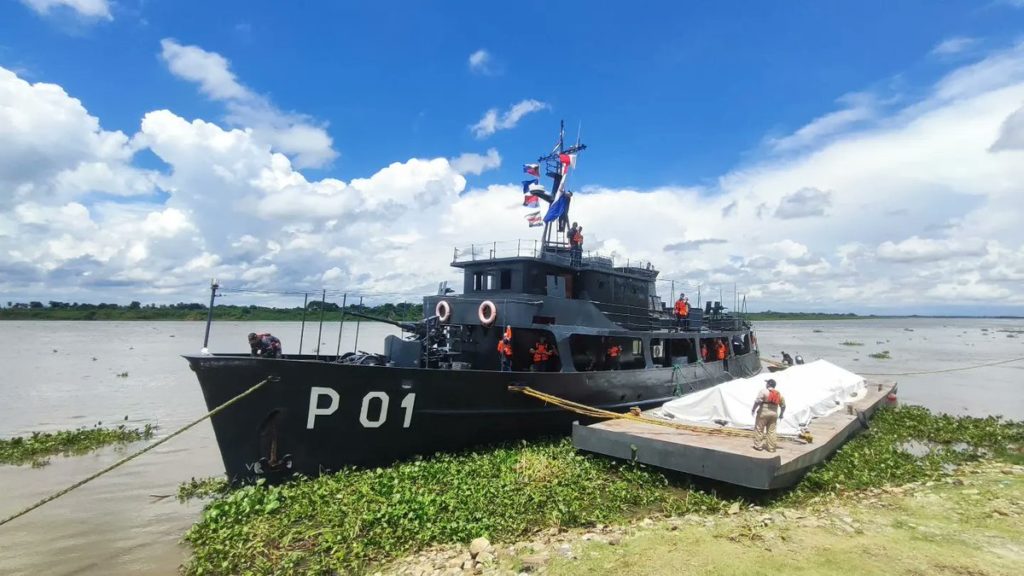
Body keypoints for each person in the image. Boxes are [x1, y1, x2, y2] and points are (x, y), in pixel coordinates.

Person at [751, 379, 786, 452]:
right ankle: (771, 448)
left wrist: (753, 409)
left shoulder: (763, 391)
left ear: (768, 385)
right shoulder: (778, 394)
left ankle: (758, 446)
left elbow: (758, 401)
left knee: (759, 429)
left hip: (763, 413)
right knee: (771, 431)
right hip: (774, 414)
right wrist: (781, 414)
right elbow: (783, 406)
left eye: (767, 383)